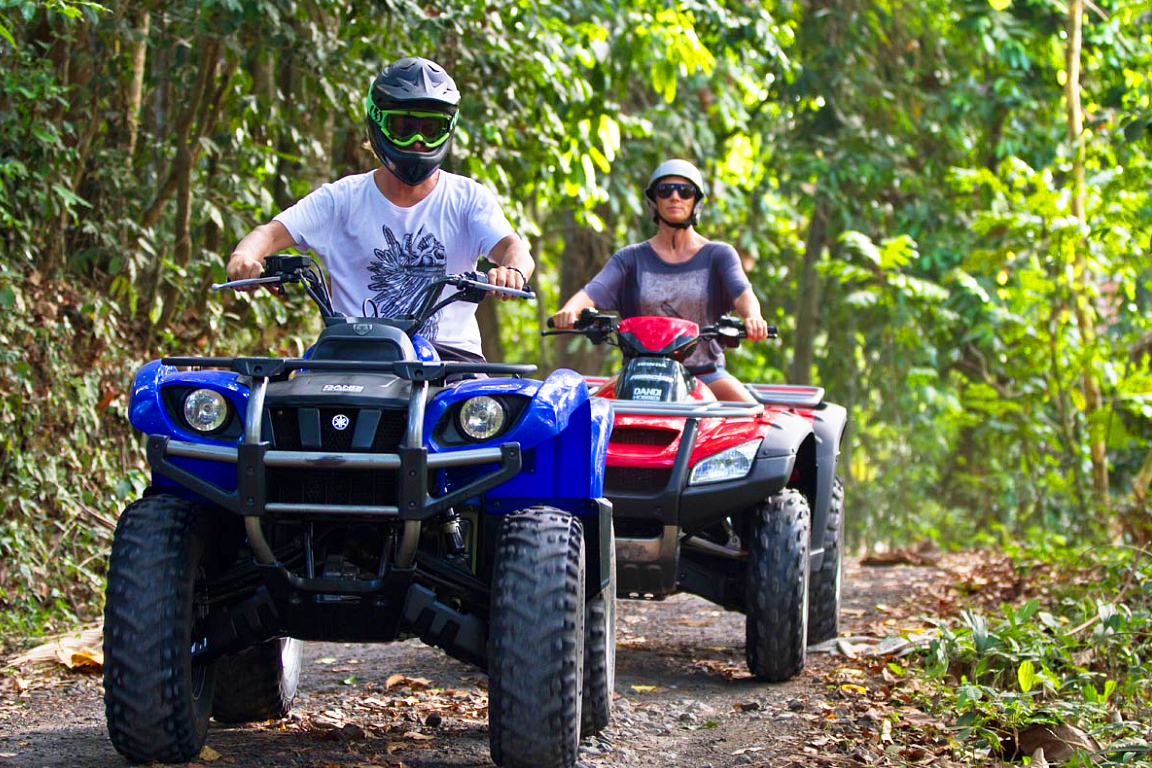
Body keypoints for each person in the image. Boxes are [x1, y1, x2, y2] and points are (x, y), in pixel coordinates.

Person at [226, 56, 533, 363]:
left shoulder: (467, 198)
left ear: (448, 129)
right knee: (288, 399)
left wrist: (512, 271)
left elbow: (513, 247)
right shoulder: (341, 199)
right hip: (355, 353)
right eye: (403, 127)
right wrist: (244, 258)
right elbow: (269, 234)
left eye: (430, 128)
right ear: (377, 123)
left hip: (451, 359)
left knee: (491, 408)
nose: (417, 142)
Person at [551, 159, 769, 402]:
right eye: (665, 191)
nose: (674, 197)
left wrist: (753, 318)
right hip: (637, 372)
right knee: (587, 414)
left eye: (684, 192)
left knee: (756, 420)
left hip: (705, 373)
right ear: (654, 200)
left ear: (695, 201)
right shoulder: (630, 257)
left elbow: (742, 293)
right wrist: (569, 311)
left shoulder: (719, 254)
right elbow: (592, 291)